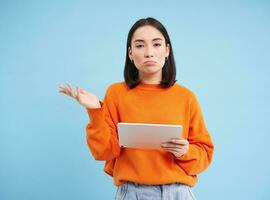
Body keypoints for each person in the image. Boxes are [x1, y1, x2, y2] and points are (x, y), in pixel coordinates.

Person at [59, 17, 214, 200]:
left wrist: (185, 151)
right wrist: (95, 110)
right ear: (130, 53)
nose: (149, 53)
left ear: (167, 50)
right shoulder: (116, 93)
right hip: (132, 193)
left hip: (178, 193)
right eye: (140, 46)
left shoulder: (186, 97)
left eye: (156, 44)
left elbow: (204, 155)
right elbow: (104, 152)